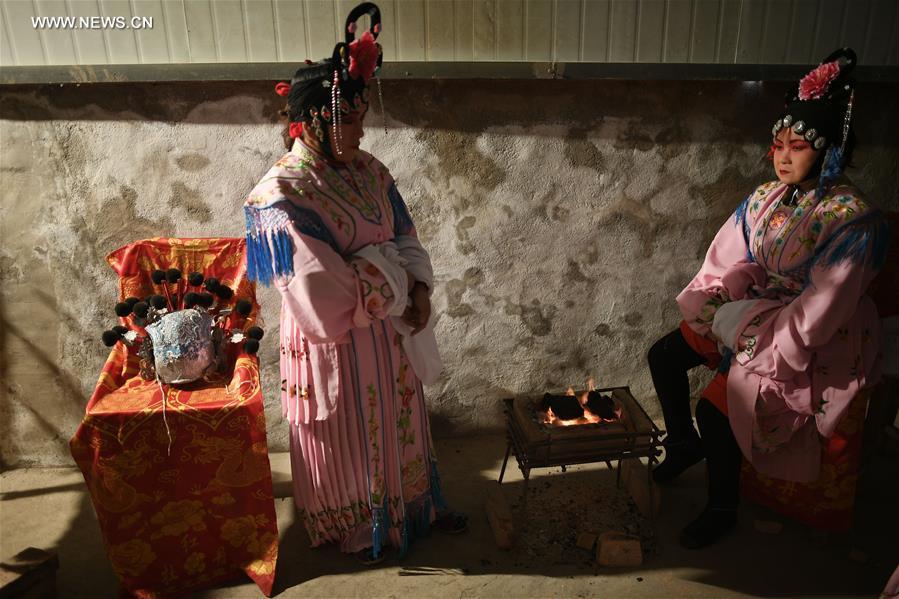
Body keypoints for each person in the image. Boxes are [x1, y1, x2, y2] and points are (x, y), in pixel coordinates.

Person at [244, 2, 465, 564]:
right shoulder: (282, 194)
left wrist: (416, 287)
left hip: (390, 334)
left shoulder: (370, 170)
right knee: (350, 434)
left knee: (399, 424)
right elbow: (320, 286)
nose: (362, 131)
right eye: (351, 120)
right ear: (315, 120)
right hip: (338, 339)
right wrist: (391, 279)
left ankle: (411, 509)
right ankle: (358, 525)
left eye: (362, 118)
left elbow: (405, 234)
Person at [646, 48, 889, 549]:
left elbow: (825, 307)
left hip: (814, 331)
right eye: (778, 145)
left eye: (798, 147)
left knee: (717, 408)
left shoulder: (852, 218)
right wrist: (718, 304)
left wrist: (749, 334)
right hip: (756, 305)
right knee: (664, 355)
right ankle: (683, 444)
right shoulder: (766, 198)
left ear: (828, 151)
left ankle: (722, 507)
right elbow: (725, 258)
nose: (782, 157)